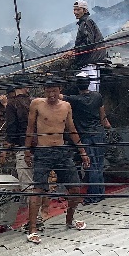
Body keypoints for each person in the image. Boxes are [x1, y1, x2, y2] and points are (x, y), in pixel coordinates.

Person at [24, 79, 91, 244]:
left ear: (59, 90)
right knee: (38, 189)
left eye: (54, 91)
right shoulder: (37, 104)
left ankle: (69, 220)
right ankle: (32, 229)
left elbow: (72, 129)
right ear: (44, 90)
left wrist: (82, 151)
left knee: (75, 188)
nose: (52, 94)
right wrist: (27, 151)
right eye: (48, 91)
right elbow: (30, 129)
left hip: (62, 150)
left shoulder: (66, 106)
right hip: (43, 151)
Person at [3, 84, 48, 228]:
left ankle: (35, 220)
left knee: (28, 184)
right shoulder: (36, 102)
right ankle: (41, 215)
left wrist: (7, 145)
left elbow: (12, 128)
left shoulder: (12, 104)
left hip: (24, 148)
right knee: (40, 182)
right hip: (41, 146)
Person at [61, 75, 111, 204]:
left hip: (86, 136)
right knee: (98, 165)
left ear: (78, 86)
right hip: (99, 134)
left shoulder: (75, 100)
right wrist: (108, 128)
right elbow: (103, 117)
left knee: (91, 166)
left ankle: (94, 196)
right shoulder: (97, 96)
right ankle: (100, 193)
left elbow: (58, 96)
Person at [64, 0, 106, 91]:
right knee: (90, 91)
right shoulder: (84, 22)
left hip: (90, 62)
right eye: (74, 10)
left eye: (78, 10)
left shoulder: (86, 22)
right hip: (90, 62)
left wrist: (74, 51)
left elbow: (88, 43)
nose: (75, 12)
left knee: (90, 91)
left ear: (85, 10)